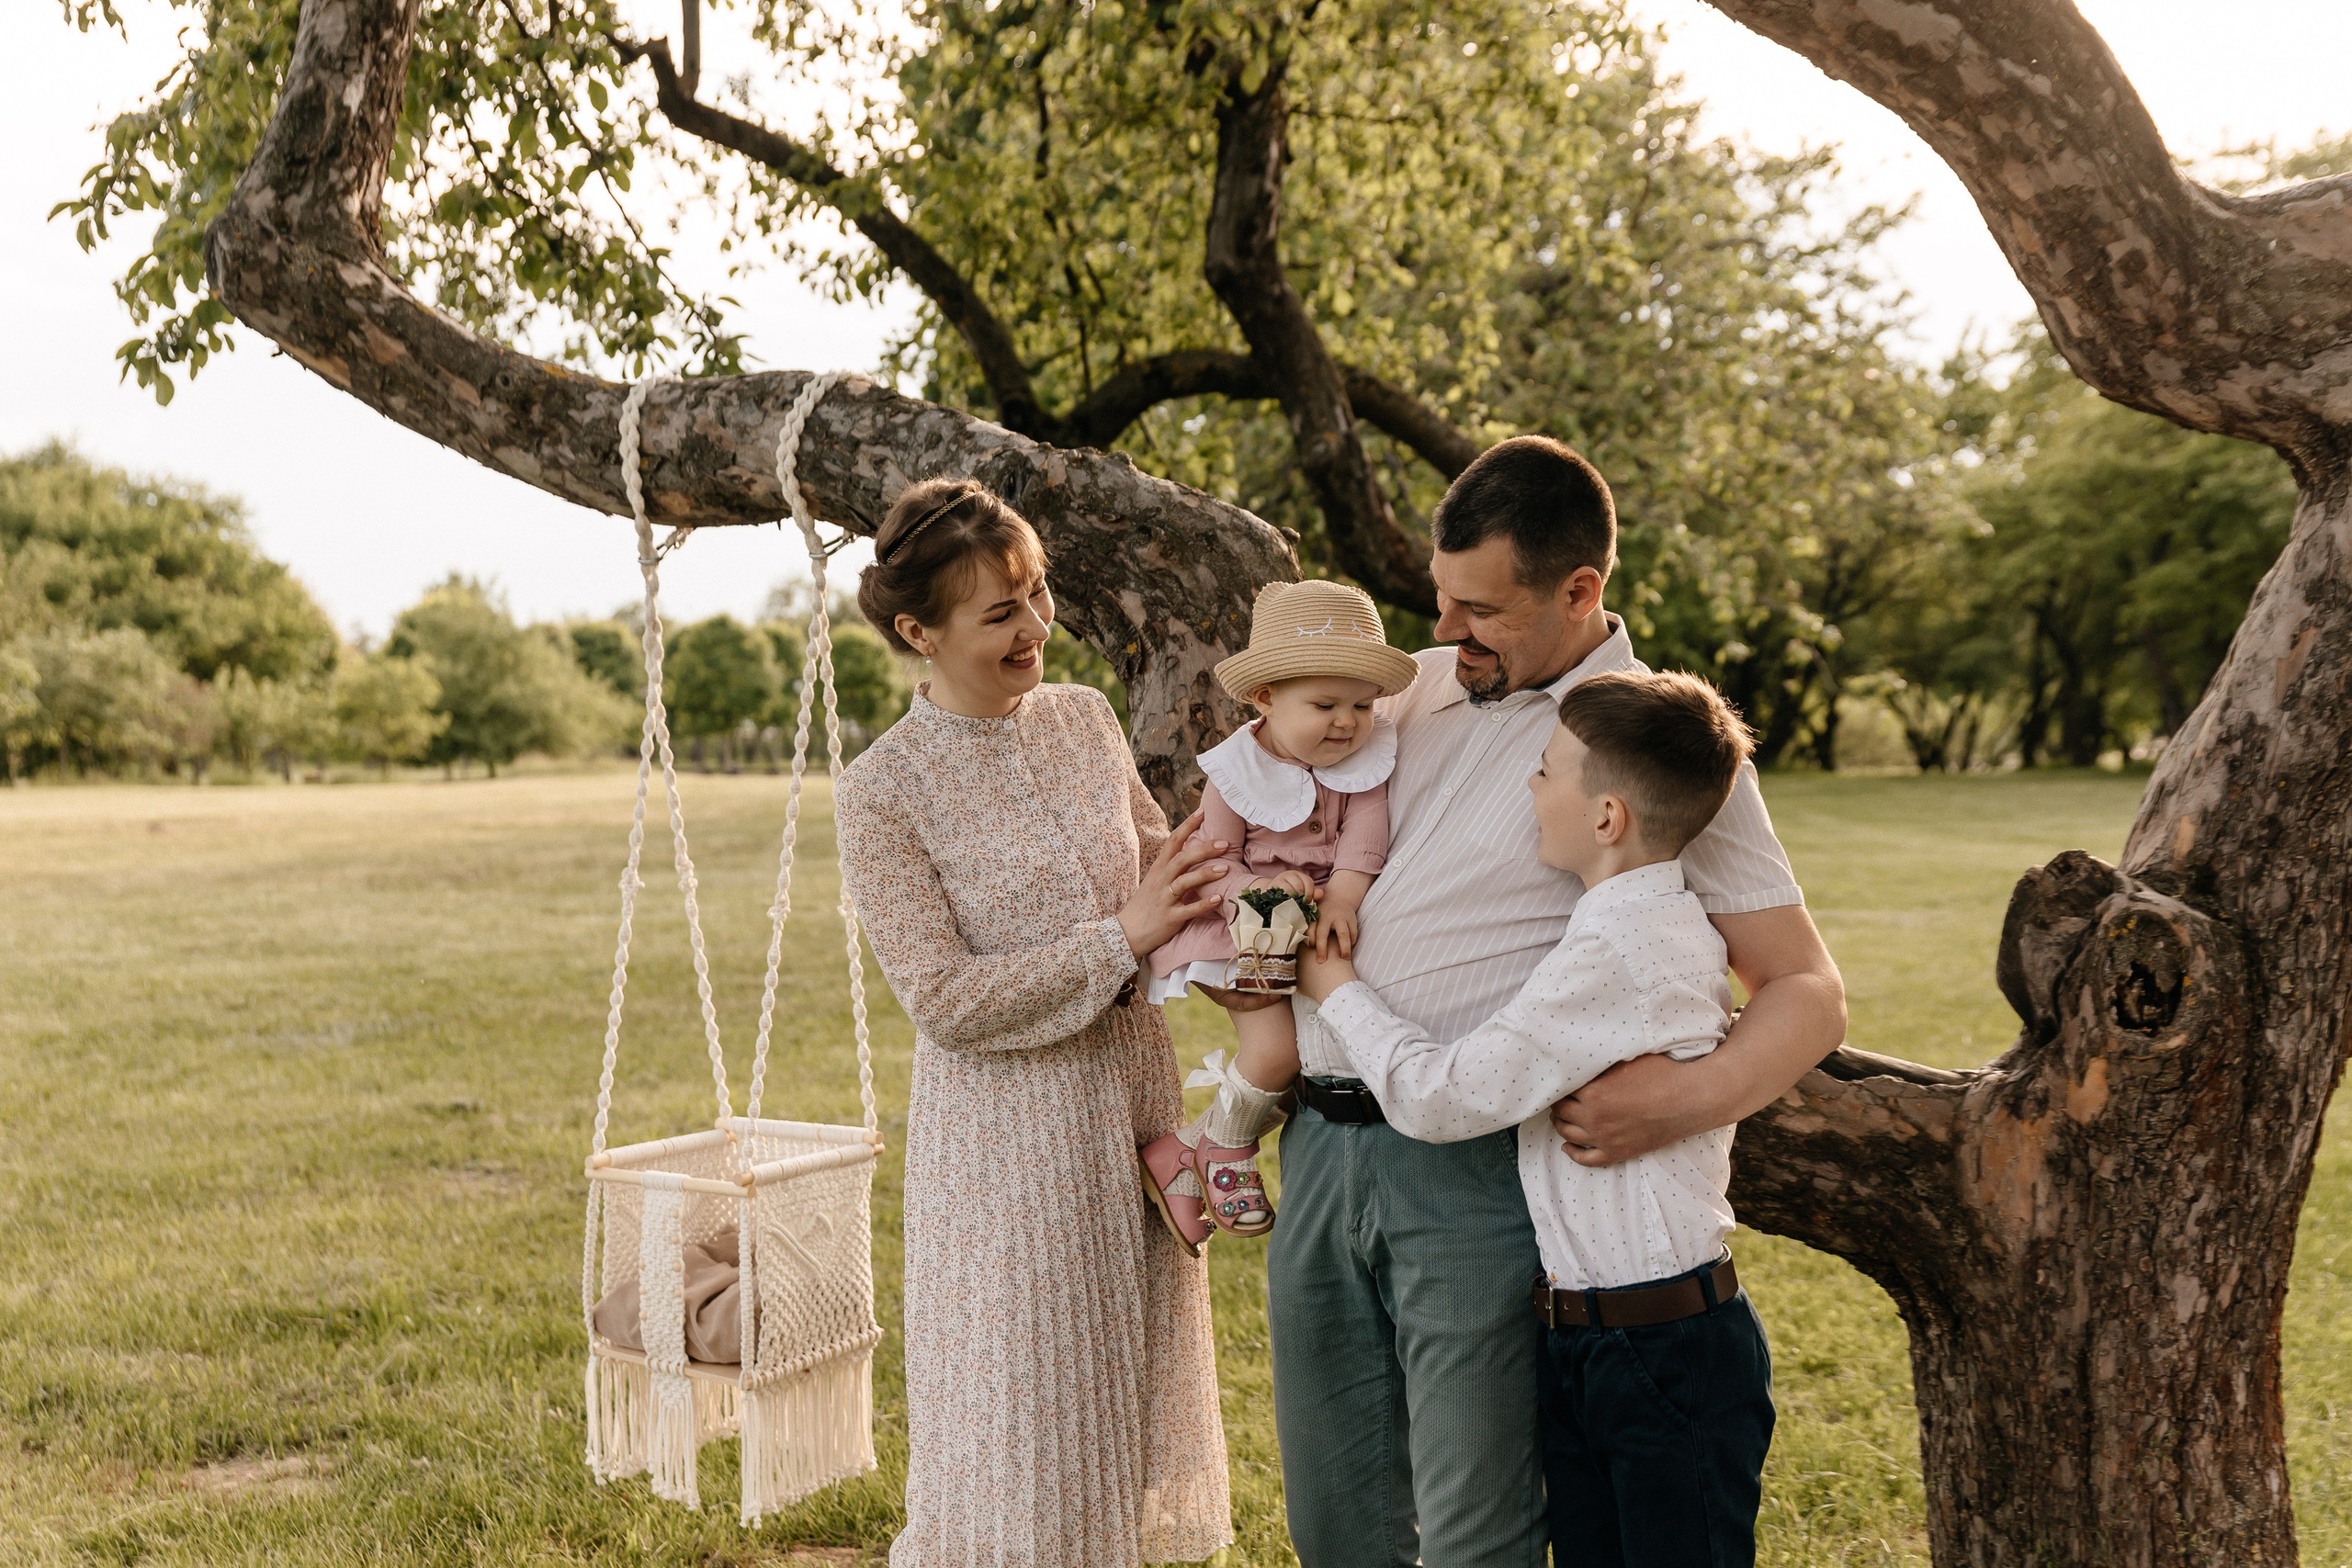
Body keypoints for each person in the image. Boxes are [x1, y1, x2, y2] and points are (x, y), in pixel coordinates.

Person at [1242, 434, 1845, 1568]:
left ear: (1580, 592)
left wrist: (1686, 1098)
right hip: (1317, 1144)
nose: (1446, 633)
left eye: (1482, 610)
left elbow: (1806, 989)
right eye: (1439, 599)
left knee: (1479, 1534)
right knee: (1337, 1523)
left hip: (1469, 1172)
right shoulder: (1403, 691)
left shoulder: (1646, 743)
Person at [833, 478, 1235, 1568]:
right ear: (919, 632)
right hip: (1010, 1153)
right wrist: (1123, 936)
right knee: (1024, 1433)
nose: (1037, 627)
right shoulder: (882, 792)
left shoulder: (1084, 719)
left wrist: (1220, 859)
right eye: (1001, 611)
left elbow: (1149, 862)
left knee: (1126, 1408)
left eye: (1039, 593)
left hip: (1131, 1113)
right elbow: (944, 1000)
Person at [1299, 668, 1777, 1568]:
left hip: (1658, 1349)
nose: (1530, 785)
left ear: (1606, 819)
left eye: (1546, 770)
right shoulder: (1624, 930)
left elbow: (1445, 1097)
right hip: (1592, 1338)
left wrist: (1338, 995)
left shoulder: (1619, 951)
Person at [1136, 579, 1421, 1247]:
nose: (1347, 721)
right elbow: (1214, 860)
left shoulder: (1364, 759)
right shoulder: (1237, 772)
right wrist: (1263, 891)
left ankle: (1180, 1152)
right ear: (1265, 698)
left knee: (1306, 1065)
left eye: (1360, 703)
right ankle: (1225, 1148)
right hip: (1239, 928)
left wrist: (1344, 896)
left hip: (1308, 919)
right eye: (1324, 704)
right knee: (1278, 1050)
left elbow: (1365, 837)